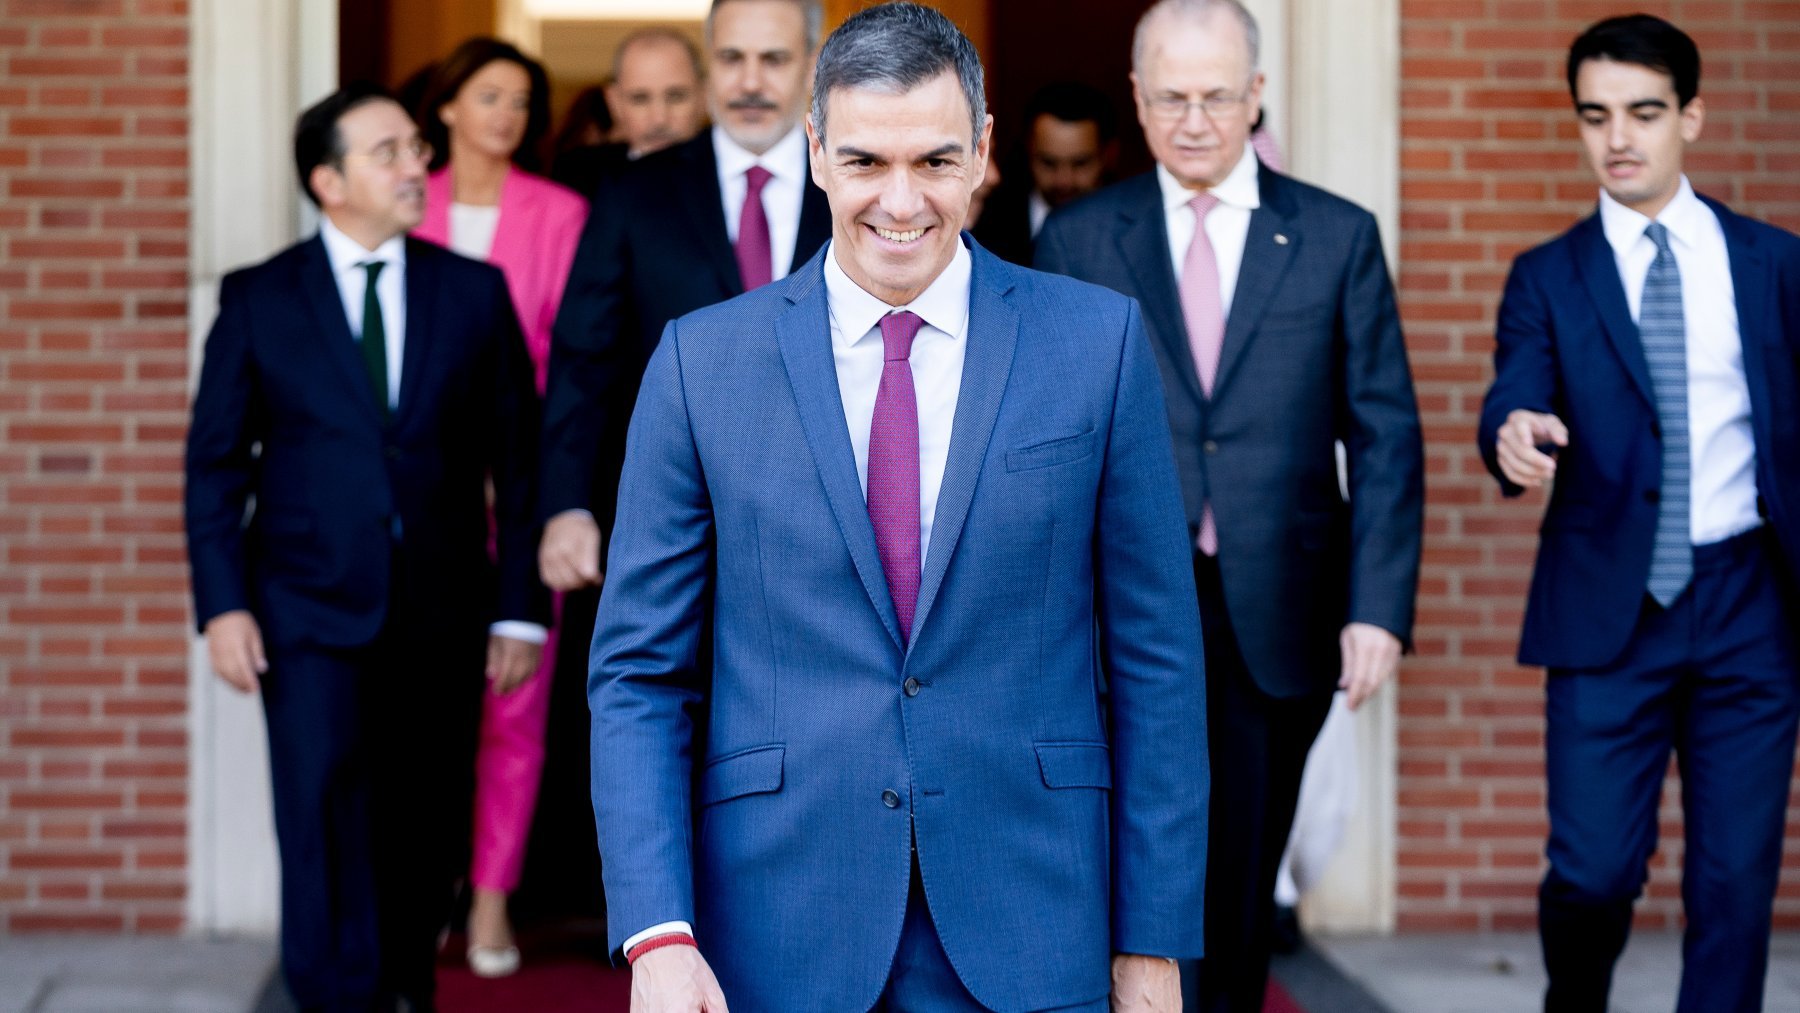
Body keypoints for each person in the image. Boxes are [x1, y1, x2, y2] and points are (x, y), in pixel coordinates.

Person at [588, 4, 1209, 1010]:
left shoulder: (1097, 344)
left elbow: (1158, 662)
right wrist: (657, 928)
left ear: (983, 156)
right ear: (818, 152)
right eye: (869, 162)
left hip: (1036, 915)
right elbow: (637, 672)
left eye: (934, 160)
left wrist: (1154, 938)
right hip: (775, 925)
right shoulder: (701, 362)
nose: (902, 201)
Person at [1035, 2, 1423, 1009]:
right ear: (1138, 98)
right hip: (1118, 607)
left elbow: (1384, 433)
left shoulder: (1337, 236)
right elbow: (1038, 444)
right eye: (1172, 97)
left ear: (1257, 95)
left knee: (1240, 884)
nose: (1195, 119)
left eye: (1217, 96)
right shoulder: (1078, 240)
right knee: (1122, 868)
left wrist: (1377, 607)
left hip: (1276, 613)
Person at [184, 82, 548, 1010]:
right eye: (387, 151)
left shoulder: (474, 292)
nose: (414, 165)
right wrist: (222, 605)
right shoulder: (262, 297)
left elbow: (519, 463)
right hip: (302, 608)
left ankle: (402, 990)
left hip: (441, 607)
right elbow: (216, 465)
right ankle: (328, 996)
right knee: (317, 815)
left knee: (422, 824)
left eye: (416, 149)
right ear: (327, 179)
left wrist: (519, 609)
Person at [1477, 15, 1800, 1012]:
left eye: (1645, 113)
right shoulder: (1547, 273)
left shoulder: (1775, 265)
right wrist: (1516, 430)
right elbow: (1514, 391)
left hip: (1749, 601)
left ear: (1690, 118)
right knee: (1592, 873)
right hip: (1605, 608)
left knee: (1735, 885)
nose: (1618, 137)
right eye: (1596, 115)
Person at [538, 0, 831, 597]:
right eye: (731, 58)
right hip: (665, 520)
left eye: (773, 59)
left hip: (828, 529)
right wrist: (566, 505)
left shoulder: (856, 187)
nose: (750, 82)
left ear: (812, 66)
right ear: (708, 71)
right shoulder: (632, 192)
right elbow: (583, 357)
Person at [412, 36, 588, 980]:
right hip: (419, 500)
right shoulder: (404, 203)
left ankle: (489, 902)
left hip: (519, 494)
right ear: (444, 107)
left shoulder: (561, 214)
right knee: (421, 704)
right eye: (489, 95)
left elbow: (567, 365)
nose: (507, 115)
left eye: (522, 100)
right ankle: (422, 886)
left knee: (513, 702)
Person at [973, 81, 1117, 265]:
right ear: (1028, 150)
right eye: (1048, 163)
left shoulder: (1131, 231)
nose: (1064, 181)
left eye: (1080, 164)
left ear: (1109, 155)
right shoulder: (986, 220)